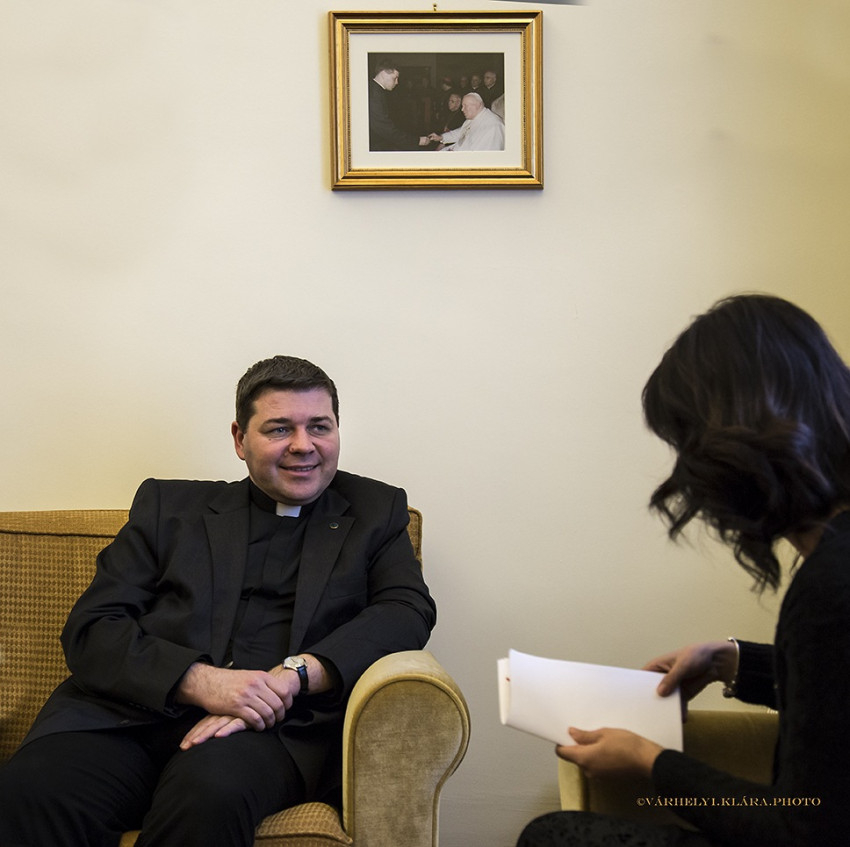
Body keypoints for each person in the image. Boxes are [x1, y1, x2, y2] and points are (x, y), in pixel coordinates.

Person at [0, 355, 436, 847]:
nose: (303, 445)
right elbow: (93, 627)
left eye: (319, 426)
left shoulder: (376, 511)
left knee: (208, 794)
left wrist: (293, 675)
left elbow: (406, 609)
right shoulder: (169, 508)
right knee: (32, 791)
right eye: (279, 429)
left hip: (266, 732)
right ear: (239, 439)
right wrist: (200, 681)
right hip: (127, 718)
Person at [517, 294, 850, 846]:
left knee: (555, 836)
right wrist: (731, 662)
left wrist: (651, 764)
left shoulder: (829, 585)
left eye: (688, 446)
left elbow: (802, 828)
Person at [368, 57, 431, 151]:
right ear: (383, 74)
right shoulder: (374, 94)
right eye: (395, 78)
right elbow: (385, 129)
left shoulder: (375, 90)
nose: (397, 82)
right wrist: (416, 141)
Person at [429, 92, 505, 152]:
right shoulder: (474, 117)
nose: (462, 109)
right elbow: (461, 132)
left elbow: (480, 156)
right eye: (462, 106)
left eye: (465, 106)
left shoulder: (493, 126)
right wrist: (442, 137)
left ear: (478, 105)